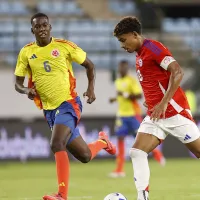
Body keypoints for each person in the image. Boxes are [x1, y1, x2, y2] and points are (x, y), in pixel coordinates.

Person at [14, 13, 116, 200]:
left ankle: (62, 195)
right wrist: (25, 90)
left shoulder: (64, 46)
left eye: (45, 25)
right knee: (84, 155)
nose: (42, 29)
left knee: (56, 143)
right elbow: (17, 83)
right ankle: (103, 142)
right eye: (38, 27)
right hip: (49, 110)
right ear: (32, 30)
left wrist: (90, 89)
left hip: (68, 103)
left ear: (50, 27)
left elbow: (90, 66)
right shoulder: (26, 52)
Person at [113, 16, 200, 200]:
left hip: (174, 112)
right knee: (137, 152)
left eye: (123, 40)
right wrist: (152, 101)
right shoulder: (139, 55)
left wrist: (163, 102)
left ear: (135, 34)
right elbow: (155, 82)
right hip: (155, 115)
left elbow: (177, 72)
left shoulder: (153, 48)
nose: (122, 45)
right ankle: (142, 198)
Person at [109, 60, 165, 178]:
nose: (121, 69)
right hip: (121, 115)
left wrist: (124, 95)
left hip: (133, 115)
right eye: (120, 67)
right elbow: (121, 96)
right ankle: (119, 169)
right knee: (120, 139)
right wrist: (115, 99)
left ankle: (158, 155)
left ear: (127, 68)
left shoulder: (131, 81)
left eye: (123, 67)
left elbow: (139, 95)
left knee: (142, 140)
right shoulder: (118, 81)